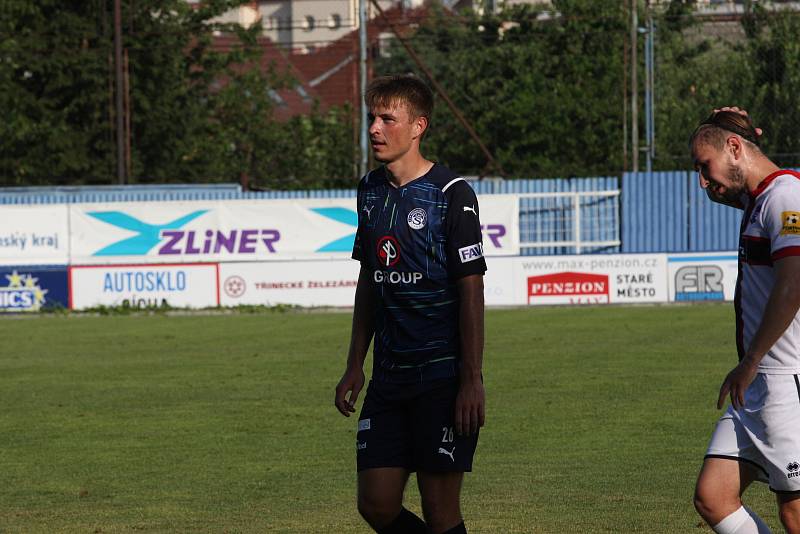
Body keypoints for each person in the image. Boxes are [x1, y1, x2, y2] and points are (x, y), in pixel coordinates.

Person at [334, 74, 486, 534]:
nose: (375, 129)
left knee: (441, 513)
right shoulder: (369, 191)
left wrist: (471, 380)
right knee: (376, 504)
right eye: (371, 119)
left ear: (418, 126)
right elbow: (369, 282)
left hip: (442, 380)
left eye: (387, 119)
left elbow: (471, 290)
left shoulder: (450, 193)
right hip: (389, 379)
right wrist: (355, 364)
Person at [690, 109, 800, 533]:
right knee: (713, 497)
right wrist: (717, 124)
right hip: (754, 385)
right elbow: (724, 189)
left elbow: (792, 285)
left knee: (794, 511)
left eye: (704, 166)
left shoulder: (786, 196)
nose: (702, 180)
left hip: (783, 380)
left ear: (735, 149)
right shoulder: (757, 199)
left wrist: (751, 359)